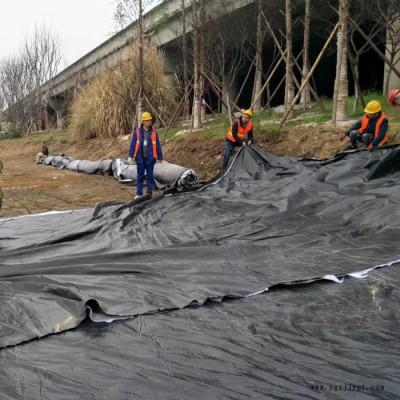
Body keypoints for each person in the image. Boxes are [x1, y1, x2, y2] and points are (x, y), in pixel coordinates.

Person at [127, 112, 163, 199]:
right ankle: (139, 194)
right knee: (140, 176)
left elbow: (157, 144)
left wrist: (160, 156)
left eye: (150, 120)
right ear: (143, 121)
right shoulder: (137, 132)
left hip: (150, 158)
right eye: (147, 120)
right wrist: (130, 155)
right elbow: (133, 143)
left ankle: (149, 193)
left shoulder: (154, 133)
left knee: (150, 176)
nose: (149, 122)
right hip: (140, 158)